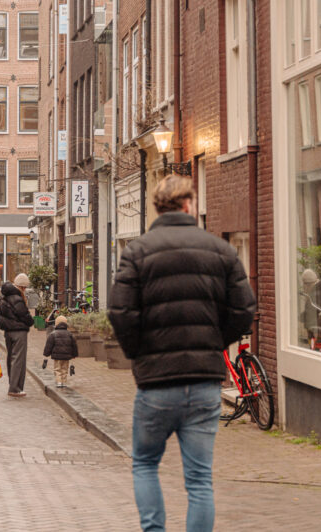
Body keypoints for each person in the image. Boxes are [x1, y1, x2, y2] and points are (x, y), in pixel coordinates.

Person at [109, 174, 255, 532]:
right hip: (204, 383)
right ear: (190, 204)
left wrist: (139, 355)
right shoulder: (220, 250)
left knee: (144, 463)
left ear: (158, 207)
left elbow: (120, 313)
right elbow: (244, 310)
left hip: (156, 383)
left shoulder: (137, 251)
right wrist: (214, 344)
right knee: (200, 479)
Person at [0, 273, 35, 397]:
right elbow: (25, 316)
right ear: (22, 287)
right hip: (19, 332)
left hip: (8, 333)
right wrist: (31, 321)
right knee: (18, 359)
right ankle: (15, 388)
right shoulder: (17, 298)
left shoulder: (5, 297)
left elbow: (1, 316)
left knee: (11, 359)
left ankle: (12, 385)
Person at [43, 315, 77, 388]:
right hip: (66, 356)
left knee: (57, 369)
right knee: (65, 369)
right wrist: (74, 354)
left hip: (57, 356)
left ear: (56, 324)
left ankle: (59, 382)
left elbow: (49, 345)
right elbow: (74, 345)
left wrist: (46, 353)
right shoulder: (70, 334)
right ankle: (64, 382)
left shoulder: (53, 334)